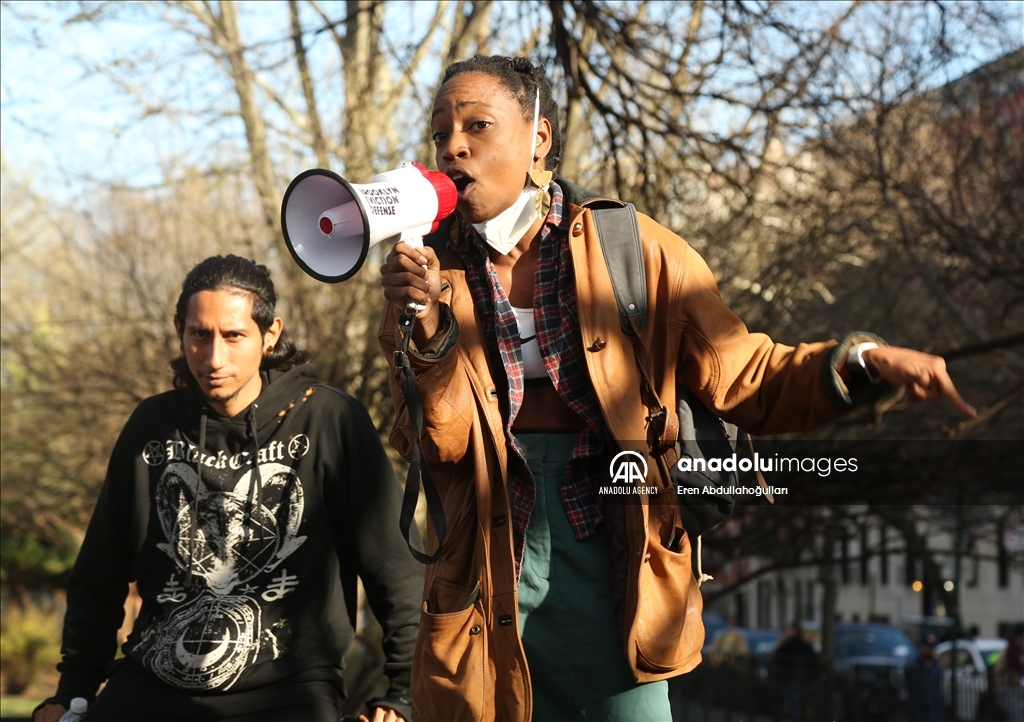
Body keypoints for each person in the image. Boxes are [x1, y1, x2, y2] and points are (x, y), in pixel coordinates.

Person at [377, 55, 976, 721]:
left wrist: (861, 362)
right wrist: (426, 326)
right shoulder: (427, 271)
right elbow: (437, 443)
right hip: (485, 592)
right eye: (440, 134)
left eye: (477, 125)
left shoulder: (631, 251)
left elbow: (747, 373)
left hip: (616, 580)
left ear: (538, 137)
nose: (454, 146)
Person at [35, 255, 421, 722]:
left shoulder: (329, 420)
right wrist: (73, 690)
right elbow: (100, 570)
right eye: (199, 334)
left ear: (270, 334)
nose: (214, 357)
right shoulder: (152, 426)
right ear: (180, 329)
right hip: (151, 681)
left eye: (233, 335)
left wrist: (404, 693)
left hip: (289, 688)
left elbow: (396, 570)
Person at [772, 622, 819, 722]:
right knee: (799, 706)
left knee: (794, 706)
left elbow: (777, 661)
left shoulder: (786, 646)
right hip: (802, 680)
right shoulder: (805, 646)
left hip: (790, 679)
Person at [906, 636, 947, 722]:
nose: (930, 651)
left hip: (934, 710)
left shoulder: (937, 666)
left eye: (932, 648)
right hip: (919, 709)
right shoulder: (915, 665)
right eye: (928, 648)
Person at [994, 623, 1024, 722]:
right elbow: (1019, 667)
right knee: (1016, 716)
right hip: (1007, 686)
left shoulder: (1015, 647)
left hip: (1011, 685)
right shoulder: (1012, 649)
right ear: (1020, 635)